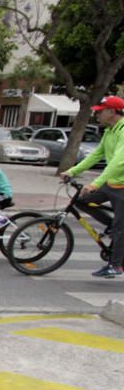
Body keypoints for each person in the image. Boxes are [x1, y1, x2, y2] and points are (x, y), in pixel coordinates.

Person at [59, 95, 124, 278]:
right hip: (112, 183)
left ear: (112, 112)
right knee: (80, 200)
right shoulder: (109, 131)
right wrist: (72, 171)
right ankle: (111, 225)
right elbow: (96, 155)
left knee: (121, 228)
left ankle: (116, 266)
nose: (97, 115)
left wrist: (95, 184)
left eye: (100, 111)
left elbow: (118, 162)